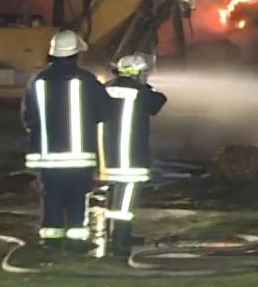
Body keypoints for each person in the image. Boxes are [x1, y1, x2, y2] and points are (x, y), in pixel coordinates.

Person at [21, 30, 109, 252]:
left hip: (47, 157)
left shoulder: (37, 81)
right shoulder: (86, 80)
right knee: (77, 199)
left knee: (51, 197)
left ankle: (51, 241)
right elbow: (104, 112)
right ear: (76, 53)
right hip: (78, 157)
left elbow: (27, 116)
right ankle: (76, 242)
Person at [97, 53, 167, 257]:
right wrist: (146, 86)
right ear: (137, 73)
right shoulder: (138, 91)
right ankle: (121, 243)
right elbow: (158, 102)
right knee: (125, 203)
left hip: (108, 156)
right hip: (129, 157)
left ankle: (112, 236)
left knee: (113, 198)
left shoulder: (106, 88)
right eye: (144, 73)